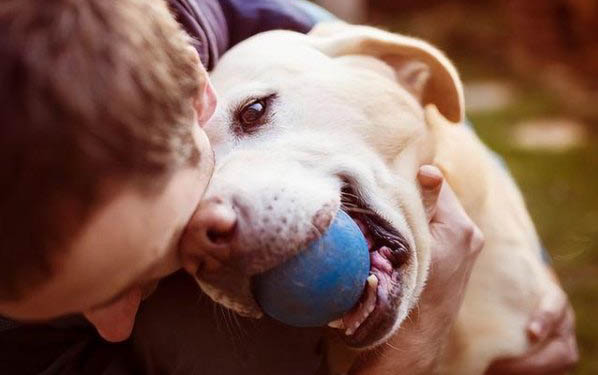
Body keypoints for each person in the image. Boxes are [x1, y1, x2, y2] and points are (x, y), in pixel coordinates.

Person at [0, 0, 576, 374]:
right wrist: (405, 360)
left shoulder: (285, 36)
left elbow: (417, 114)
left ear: (196, 97)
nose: (115, 325)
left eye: (252, 116)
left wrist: (529, 280)